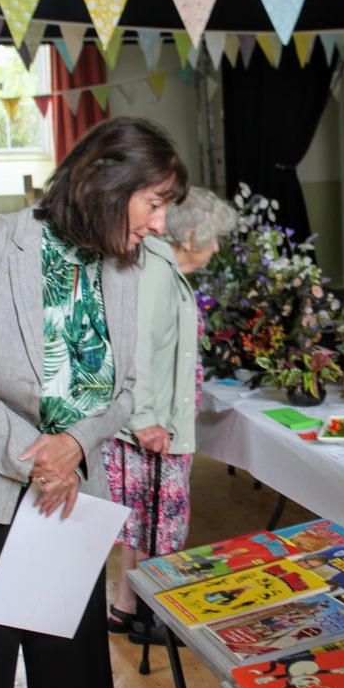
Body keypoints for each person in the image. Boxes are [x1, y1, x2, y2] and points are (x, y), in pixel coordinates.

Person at [0, 117, 188, 688]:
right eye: (155, 202)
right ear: (108, 181)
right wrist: (39, 458)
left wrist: (74, 445)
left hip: (64, 507)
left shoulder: (124, 265)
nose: (160, 223)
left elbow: (125, 391)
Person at [102, 187, 235, 641]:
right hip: (151, 424)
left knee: (141, 521)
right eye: (214, 238)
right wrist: (146, 420)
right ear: (192, 233)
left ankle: (127, 606)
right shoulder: (156, 270)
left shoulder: (160, 266)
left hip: (153, 419)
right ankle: (157, 617)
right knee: (162, 522)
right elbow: (137, 349)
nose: (216, 249)